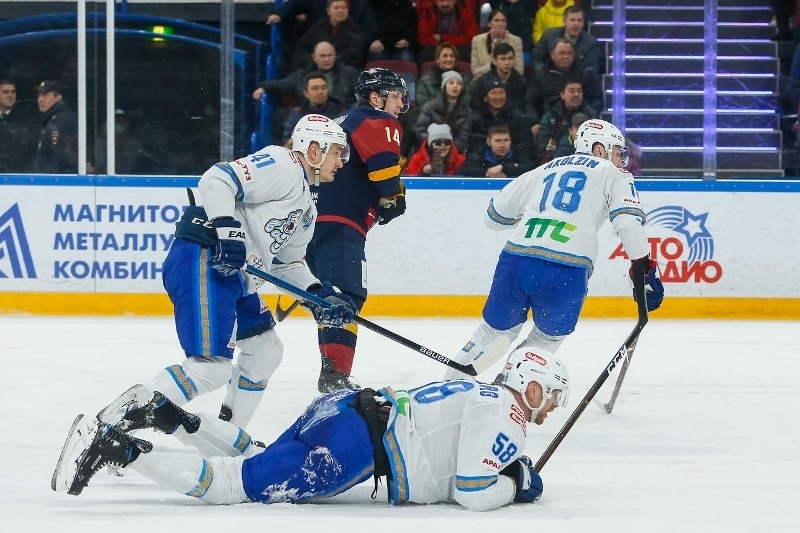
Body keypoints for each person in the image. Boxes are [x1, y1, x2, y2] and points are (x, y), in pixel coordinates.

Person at [55, 346, 570, 512]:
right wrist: (516, 482)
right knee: (235, 485)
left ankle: (170, 416)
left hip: (344, 409)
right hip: (355, 445)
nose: (550, 408)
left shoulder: (479, 391)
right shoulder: (508, 414)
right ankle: (120, 450)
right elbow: (474, 491)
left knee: (255, 457)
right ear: (531, 387)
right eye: (550, 395)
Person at [93, 114, 358, 432]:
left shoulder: (307, 209)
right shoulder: (283, 164)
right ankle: (112, 427)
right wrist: (227, 230)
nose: (341, 162)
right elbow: (217, 179)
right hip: (206, 259)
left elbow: (286, 265)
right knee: (210, 369)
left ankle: (230, 435)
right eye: (337, 153)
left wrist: (319, 294)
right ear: (314, 150)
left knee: (266, 351)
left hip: (234, 276)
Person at [443, 119, 664, 381]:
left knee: (492, 333)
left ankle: (447, 389)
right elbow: (627, 223)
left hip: (516, 259)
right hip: (567, 268)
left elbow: (493, 217)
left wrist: (535, 214)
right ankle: (507, 391)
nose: (619, 159)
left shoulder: (544, 168)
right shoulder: (614, 173)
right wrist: (644, 269)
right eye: (616, 152)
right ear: (598, 149)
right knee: (545, 339)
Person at [306, 68, 409, 393]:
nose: (401, 104)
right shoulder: (377, 120)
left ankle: (331, 370)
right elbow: (386, 180)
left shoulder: (342, 121)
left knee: (329, 298)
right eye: (396, 96)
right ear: (375, 98)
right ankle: (334, 377)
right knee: (344, 298)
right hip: (339, 222)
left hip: (310, 222)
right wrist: (394, 195)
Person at [253, 41, 360, 110]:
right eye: (322, 56)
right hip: (309, 116)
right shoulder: (301, 75)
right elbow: (281, 83)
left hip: (342, 115)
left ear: (335, 56)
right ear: (314, 57)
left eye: (330, 55)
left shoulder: (350, 73)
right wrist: (263, 87)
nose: (327, 59)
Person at [538, 77, 597, 164]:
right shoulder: (551, 118)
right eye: (572, 91)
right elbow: (544, 149)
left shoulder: (591, 116)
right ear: (562, 95)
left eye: (579, 91)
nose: (576, 94)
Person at [294, 0, 366, 71]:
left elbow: (354, 56)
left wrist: (330, 62)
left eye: (344, 8)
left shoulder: (355, 31)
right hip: (314, 70)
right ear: (328, 11)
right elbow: (300, 51)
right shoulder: (316, 28)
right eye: (336, 8)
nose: (340, 10)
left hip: (342, 73)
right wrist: (315, 61)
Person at [413, 70, 472, 154]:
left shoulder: (466, 112)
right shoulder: (430, 107)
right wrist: (434, 145)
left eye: (459, 83)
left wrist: (448, 149)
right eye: (451, 83)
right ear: (444, 86)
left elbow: (463, 137)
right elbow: (420, 130)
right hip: (430, 150)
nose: (455, 86)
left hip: (453, 153)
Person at [281, 72, 347, 144]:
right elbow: (288, 141)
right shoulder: (297, 114)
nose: (320, 92)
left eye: (324, 87)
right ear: (306, 93)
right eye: (315, 88)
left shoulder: (340, 112)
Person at [533, 6, 601, 75]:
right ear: (564, 21)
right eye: (572, 20)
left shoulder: (591, 43)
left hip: (576, 79)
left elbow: (590, 69)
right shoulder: (549, 35)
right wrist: (544, 73)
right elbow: (535, 58)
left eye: (579, 20)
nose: (576, 24)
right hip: (548, 77)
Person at [32, 80, 78, 174]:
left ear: (58, 98)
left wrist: (48, 177)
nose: (40, 100)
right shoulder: (54, 117)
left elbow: (60, 156)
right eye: (39, 96)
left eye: (46, 96)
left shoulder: (60, 120)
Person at [470, 43, 529, 115]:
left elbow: (523, 106)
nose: (507, 63)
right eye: (503, 59)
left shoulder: (521, 82)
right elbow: (476, 106)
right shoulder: (483, 81)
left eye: (510, 58)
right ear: (494, 61)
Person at [459, 124, 534, 177]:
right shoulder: (480, 153)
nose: (502, 145)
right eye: (498, 141)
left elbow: (530, 169)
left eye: (506, 140)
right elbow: (463, 170)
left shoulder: (518, 152)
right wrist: (487, 173)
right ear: (488, 142)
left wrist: (503, 167)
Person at [415, 41, 473, 108]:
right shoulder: (425, 81)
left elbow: (467, 102)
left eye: (452, 56)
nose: (449, 59)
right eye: (445, 56)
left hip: (459, 113)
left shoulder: (465, 80)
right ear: (437, 59)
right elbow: (422, 104)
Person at [470, 9, 524, 79]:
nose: (500, 24)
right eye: (496, 20)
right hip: (483, 80)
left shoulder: (516, 40)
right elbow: (475, 72)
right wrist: (493, 65)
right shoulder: (477, 40)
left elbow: (519, 71)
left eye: (503, 21)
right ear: (489, 23)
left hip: (508, 80)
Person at [0, 79, 35, 173]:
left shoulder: (26, 119)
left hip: (17, 173)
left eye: (13, 92)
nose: (10, 95)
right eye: (5, 92)